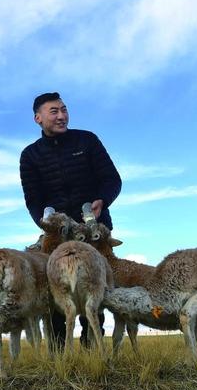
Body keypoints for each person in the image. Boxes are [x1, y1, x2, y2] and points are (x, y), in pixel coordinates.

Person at [19, 92, 122, 349]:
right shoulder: (30, 155)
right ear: (38, 118)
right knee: (56, 291)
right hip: (57, 235)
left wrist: (103, 200)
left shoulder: (87, 140)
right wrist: (45, 223)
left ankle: (92, 348)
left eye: (64, 109)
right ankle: (57, 354)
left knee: (94, 289)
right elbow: (33, 199)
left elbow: (112, 179)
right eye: (54, 111)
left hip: (93, 229)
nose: (62, 116)